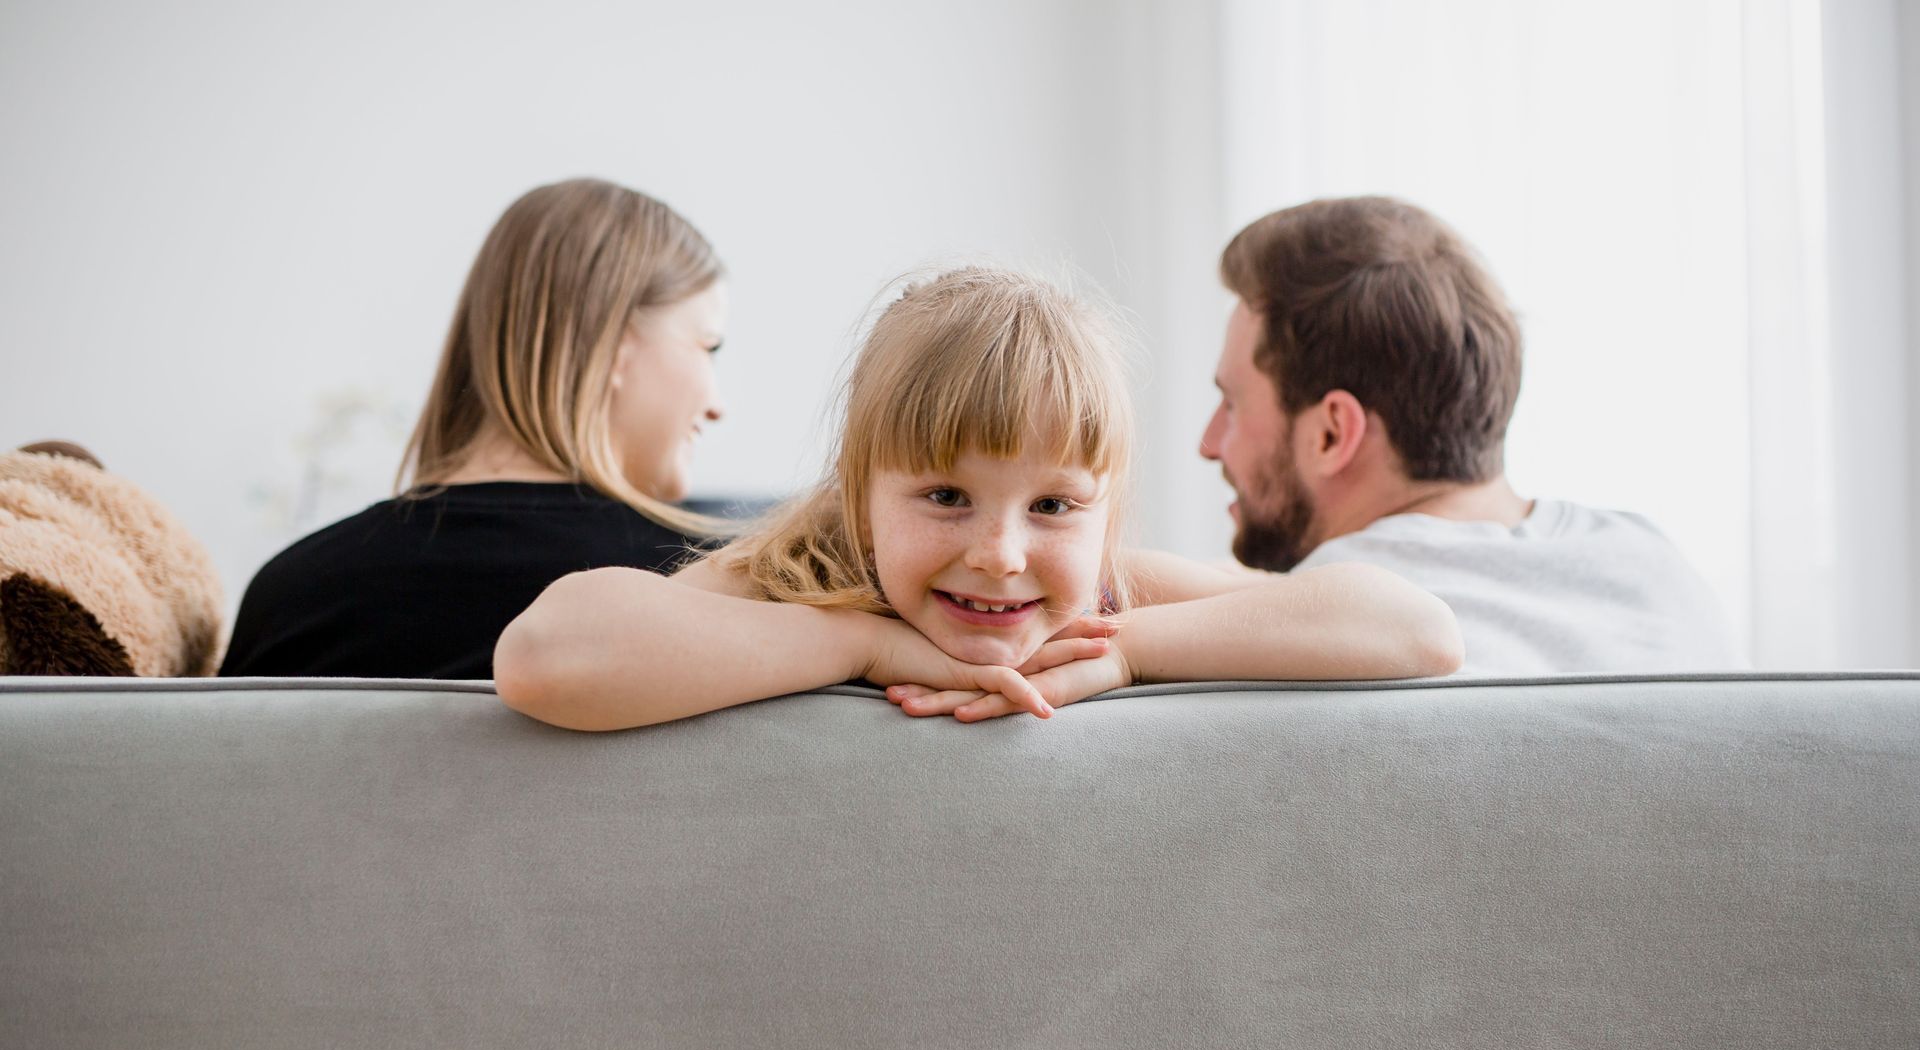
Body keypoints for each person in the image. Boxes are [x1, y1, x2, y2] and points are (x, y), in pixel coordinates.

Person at [494, 267, 1462, 732]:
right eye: (947, 493)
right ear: (859, 493)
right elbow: (545, 652)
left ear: (1107, 515)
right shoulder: (810, 571)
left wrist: (1126, 652)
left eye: (1053, 506)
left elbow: (1416, 626)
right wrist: (863, 643)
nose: (1000, 552)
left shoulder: (1107, 605)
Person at [1202, 196, 1738, 675]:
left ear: (1331, 433)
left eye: (1232, 403)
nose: (1207, 442)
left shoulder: (1313, 638)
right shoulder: (1661, 573)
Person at [220, 178, 729, 679]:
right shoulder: (716, 591)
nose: (717, 407)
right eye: (707, 346)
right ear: (615, 343)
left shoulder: (293, 593)